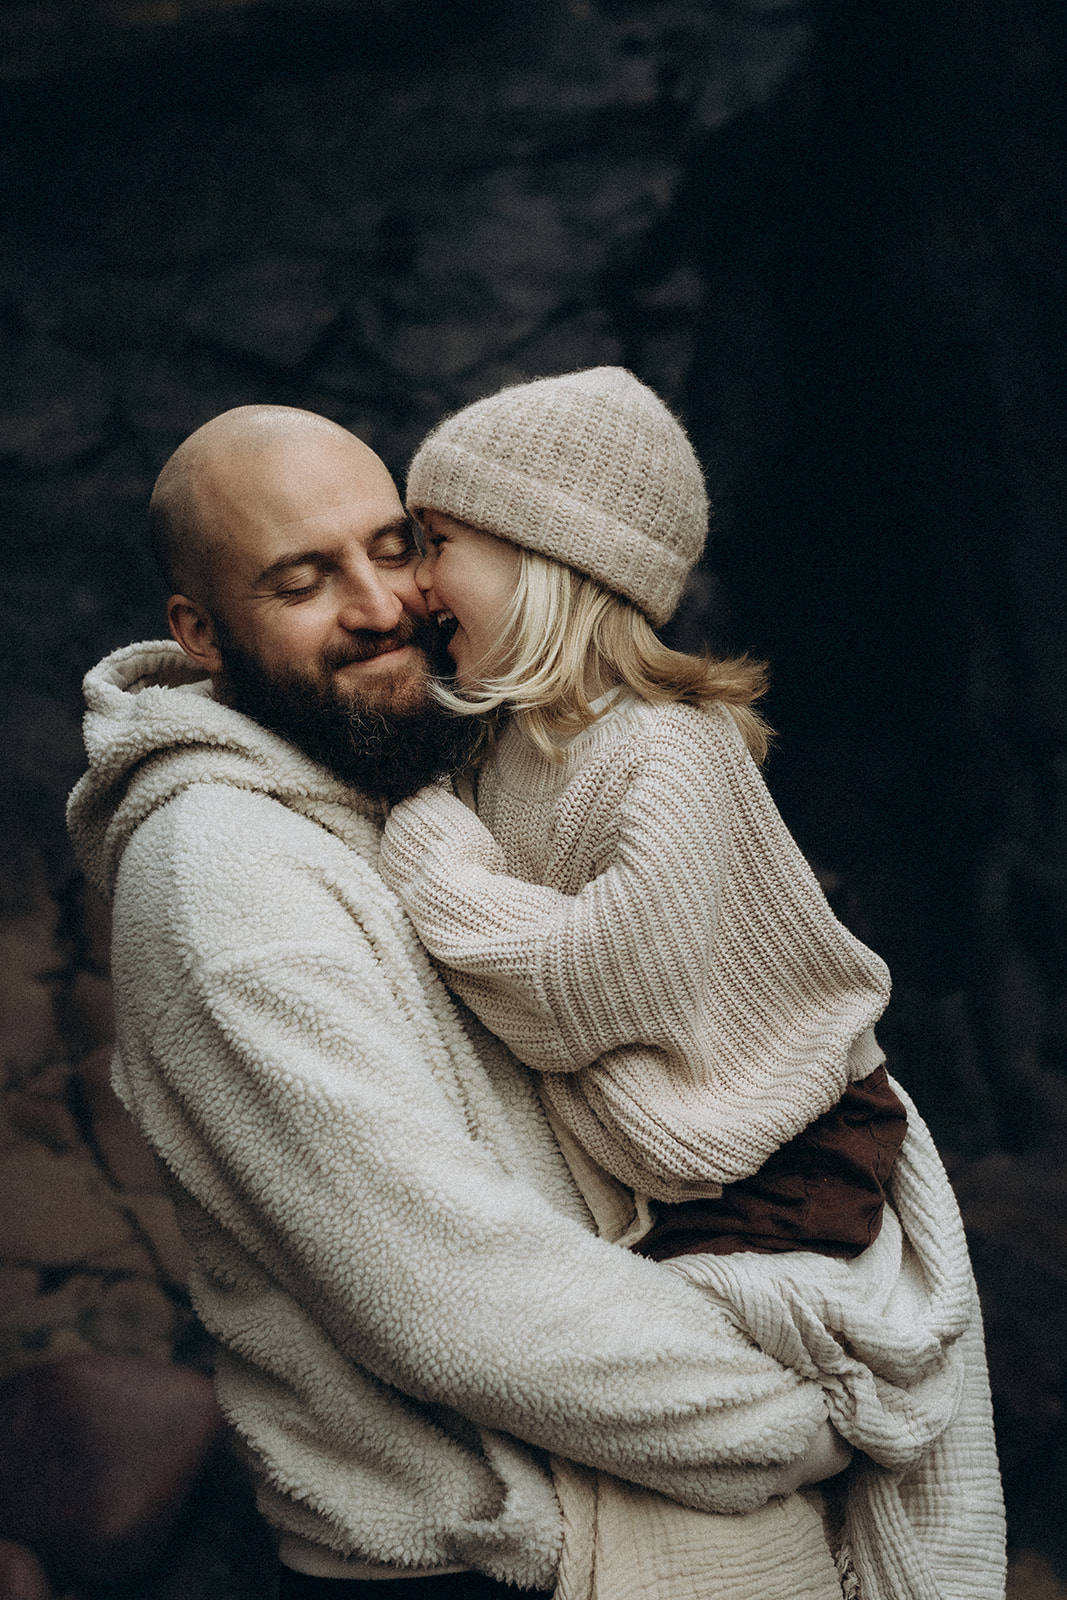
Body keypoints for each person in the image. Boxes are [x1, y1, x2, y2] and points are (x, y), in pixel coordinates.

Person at [66, 404, 892, 1600]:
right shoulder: (222, 875)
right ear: (200, 632)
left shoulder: (427, 774)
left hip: (612, 1486)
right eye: (302, 579)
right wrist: (800, 1422)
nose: (380, 604)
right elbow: (445, 1289)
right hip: (476, 1561)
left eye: (393, 546)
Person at [376, 369, 1007, 1600]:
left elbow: (584, 981)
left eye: (435, 544)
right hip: (697, 1170)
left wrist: (425, 852)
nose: (409, 584)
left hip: (791, 1158)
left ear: (548, 557)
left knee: (719, 1428)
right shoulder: (499, 745)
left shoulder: (666, 745)